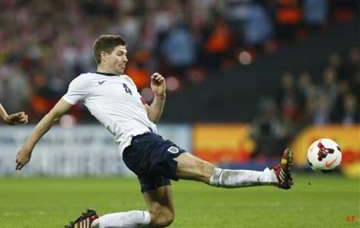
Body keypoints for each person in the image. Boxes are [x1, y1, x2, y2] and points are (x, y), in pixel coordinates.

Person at [15, 35, 293, 228]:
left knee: (162, 217)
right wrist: (28, 146)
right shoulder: (86, 81)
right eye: (120, 53)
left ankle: (95, 224)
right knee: (211, 173)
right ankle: (273, 177)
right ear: (103, 55)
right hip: (141, 145)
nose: (126, 58)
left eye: (126, 53)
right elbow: (53, 115)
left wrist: (159, 97)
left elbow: (149, 117)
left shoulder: (126, 81)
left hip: (144, 143)